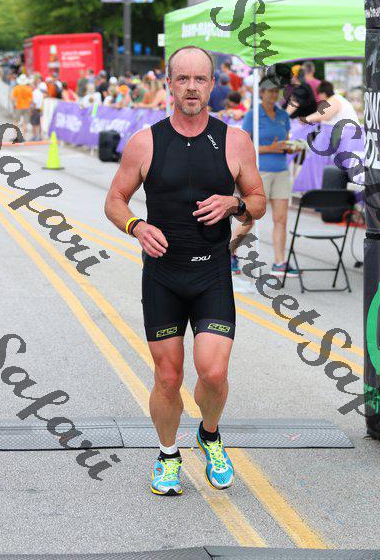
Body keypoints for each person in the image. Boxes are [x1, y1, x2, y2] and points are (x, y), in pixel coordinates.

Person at [104, 45, 265, 497]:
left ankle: (209, 435)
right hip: (163, 276)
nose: (191, 88)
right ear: (169, 84)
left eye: (199, 79)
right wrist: (137, 226)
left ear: (212, 85)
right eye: (182, 79)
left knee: (212, 373)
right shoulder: (146, 142)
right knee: (168, 377)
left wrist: (235, 203)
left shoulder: (234, 140)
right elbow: (115, 200)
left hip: (211, 274)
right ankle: (168, 454)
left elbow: (257, 201)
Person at [232, 77, 300, 277]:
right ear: (261, 93)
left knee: (281, 219)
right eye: (270, 91)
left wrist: (289, 147)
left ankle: (279, 262)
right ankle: (229, 253)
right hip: (258, 171)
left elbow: (284, 140)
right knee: (249, 218)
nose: (273, 94)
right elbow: (242, 147)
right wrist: (268, 148)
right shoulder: (252, 115)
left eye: (276, 91)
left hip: (281, 170)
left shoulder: (283, 115)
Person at [11, 74, 33, 142]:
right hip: (27, 106)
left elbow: (13, 98)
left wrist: (13, 105)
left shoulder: (16, 88)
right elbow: (31, 99)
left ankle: (16, 136)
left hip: (18, 106)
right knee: (25, 122)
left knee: (16, 121)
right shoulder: (29, 88)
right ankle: (23, 137)